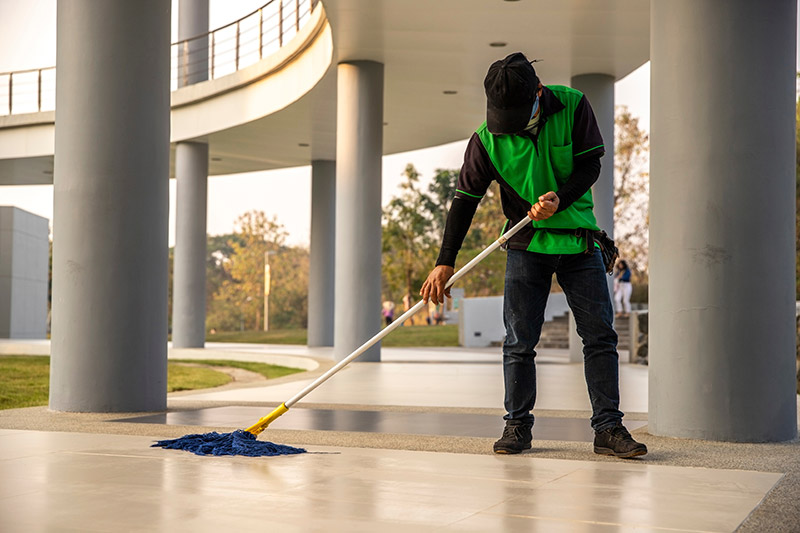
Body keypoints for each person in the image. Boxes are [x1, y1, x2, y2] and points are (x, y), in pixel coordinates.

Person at [420, 52, 646, 458]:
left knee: (599, 338)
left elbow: (590, 165)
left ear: (538, 94)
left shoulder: (573, 104)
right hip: (526, 246)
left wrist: (560, 198)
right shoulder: (486, 140)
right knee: (519, 342)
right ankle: (517, 427)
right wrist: (445, 260)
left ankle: (608, 428)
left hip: (579, 241)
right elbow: (464, 201)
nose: (506, 126)